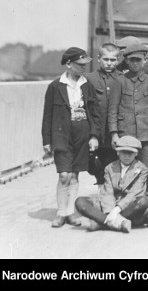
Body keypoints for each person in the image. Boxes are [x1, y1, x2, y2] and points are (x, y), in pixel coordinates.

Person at [42, 47, 101, 227]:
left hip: (81, 135)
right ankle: (61, 212)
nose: (84, 67)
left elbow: (95, 113)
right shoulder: (55, 86)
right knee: (64, 176)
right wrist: (46, 140)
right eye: (79, 64)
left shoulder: (87, 85)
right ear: (68, 64)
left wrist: (94, 136)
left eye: (85, 64)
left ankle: (70, 213)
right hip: (61, 136)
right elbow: (48, 115)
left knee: (75, 175)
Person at [75, 136, 148, 233]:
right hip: (110, 205)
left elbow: (134, 194)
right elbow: (107, 192)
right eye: (123, 152)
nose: (126, 156)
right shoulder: (110, 168)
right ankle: (116, 223)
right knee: (80, 202)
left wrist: (116, 210)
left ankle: (101, 222)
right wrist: (110, 211)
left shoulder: (141, 169)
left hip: (128, 206)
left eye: (130, 153)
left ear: (136, 153)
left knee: (143, 202)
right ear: (117, 152)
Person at [108, 43, 148, 171]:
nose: (135, 63)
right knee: (125, 169)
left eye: (138, 60)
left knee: (145, 170)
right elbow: (113, 109)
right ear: (126, 60)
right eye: (132, 60)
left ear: (145, 60)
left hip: (146, 135)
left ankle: (143, 192)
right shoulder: (120, 81)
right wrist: (114, 133)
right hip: (125, 133)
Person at [85, 42, 122, 185]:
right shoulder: (90, 79)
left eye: (113, 60)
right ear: (98, 58)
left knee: (116, 169)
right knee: (98, 169)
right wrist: (91, 135)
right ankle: (103, 199)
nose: (109, 63)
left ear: (118, 60)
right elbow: (87, 109)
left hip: (117, 133)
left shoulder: (122, 78)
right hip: (98, 134)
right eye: (106, 59)